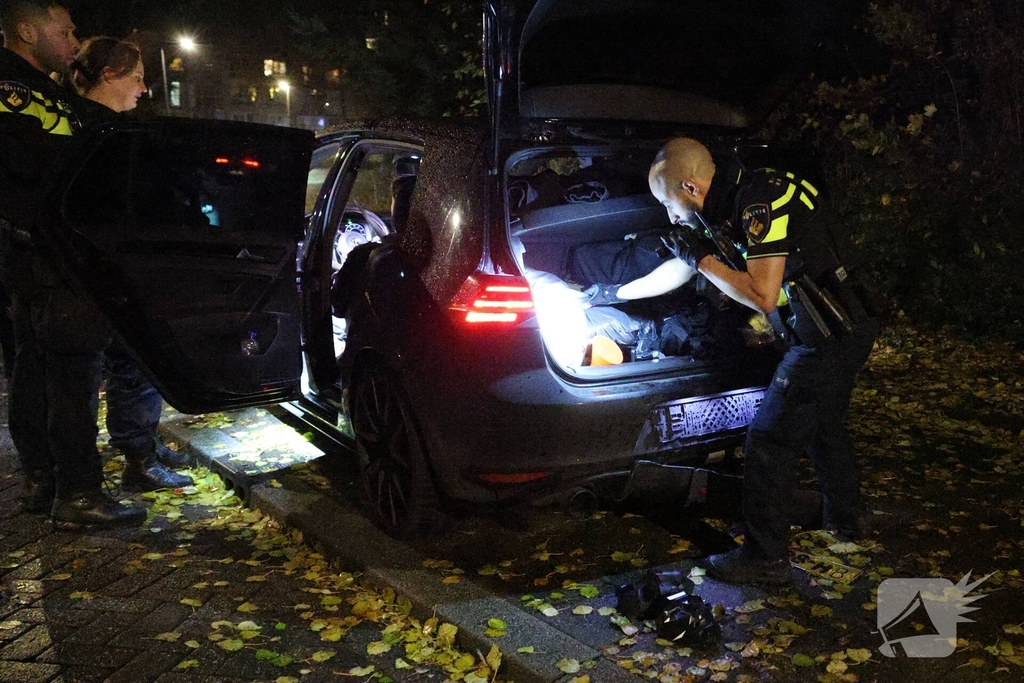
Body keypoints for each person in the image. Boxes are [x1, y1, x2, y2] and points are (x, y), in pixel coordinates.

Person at [588, 137, 879, 584]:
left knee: (769, 441)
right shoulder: (724, 203)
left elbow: (761, 295)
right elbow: (684, 267)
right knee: (824, 425)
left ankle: (766, 558)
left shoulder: (757, 201)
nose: (670, 216)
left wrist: (703, 259)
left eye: (669, 204)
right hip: (829, 329)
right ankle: (848, 521)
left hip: (831, 333)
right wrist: (611, 294)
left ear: (689, 185)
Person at [0, 1, 145, 524]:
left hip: (45, 254)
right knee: (69, 373)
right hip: (50, 256)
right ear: (24, 30)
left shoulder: (45, 90)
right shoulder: (11, 91)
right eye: (62, 30)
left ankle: (47, 482)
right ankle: (78, 493)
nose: (72, 37)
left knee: (40, 367)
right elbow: (36, 167)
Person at [70, 35, 193, 491]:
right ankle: (136, 461)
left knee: (132, 365)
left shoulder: (95, 127)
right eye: (138, 78)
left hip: (110, 268)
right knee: (132, 363)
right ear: (108, 76)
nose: (144, 89)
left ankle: (141, 446)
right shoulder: (101, 134)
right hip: (109, 271)